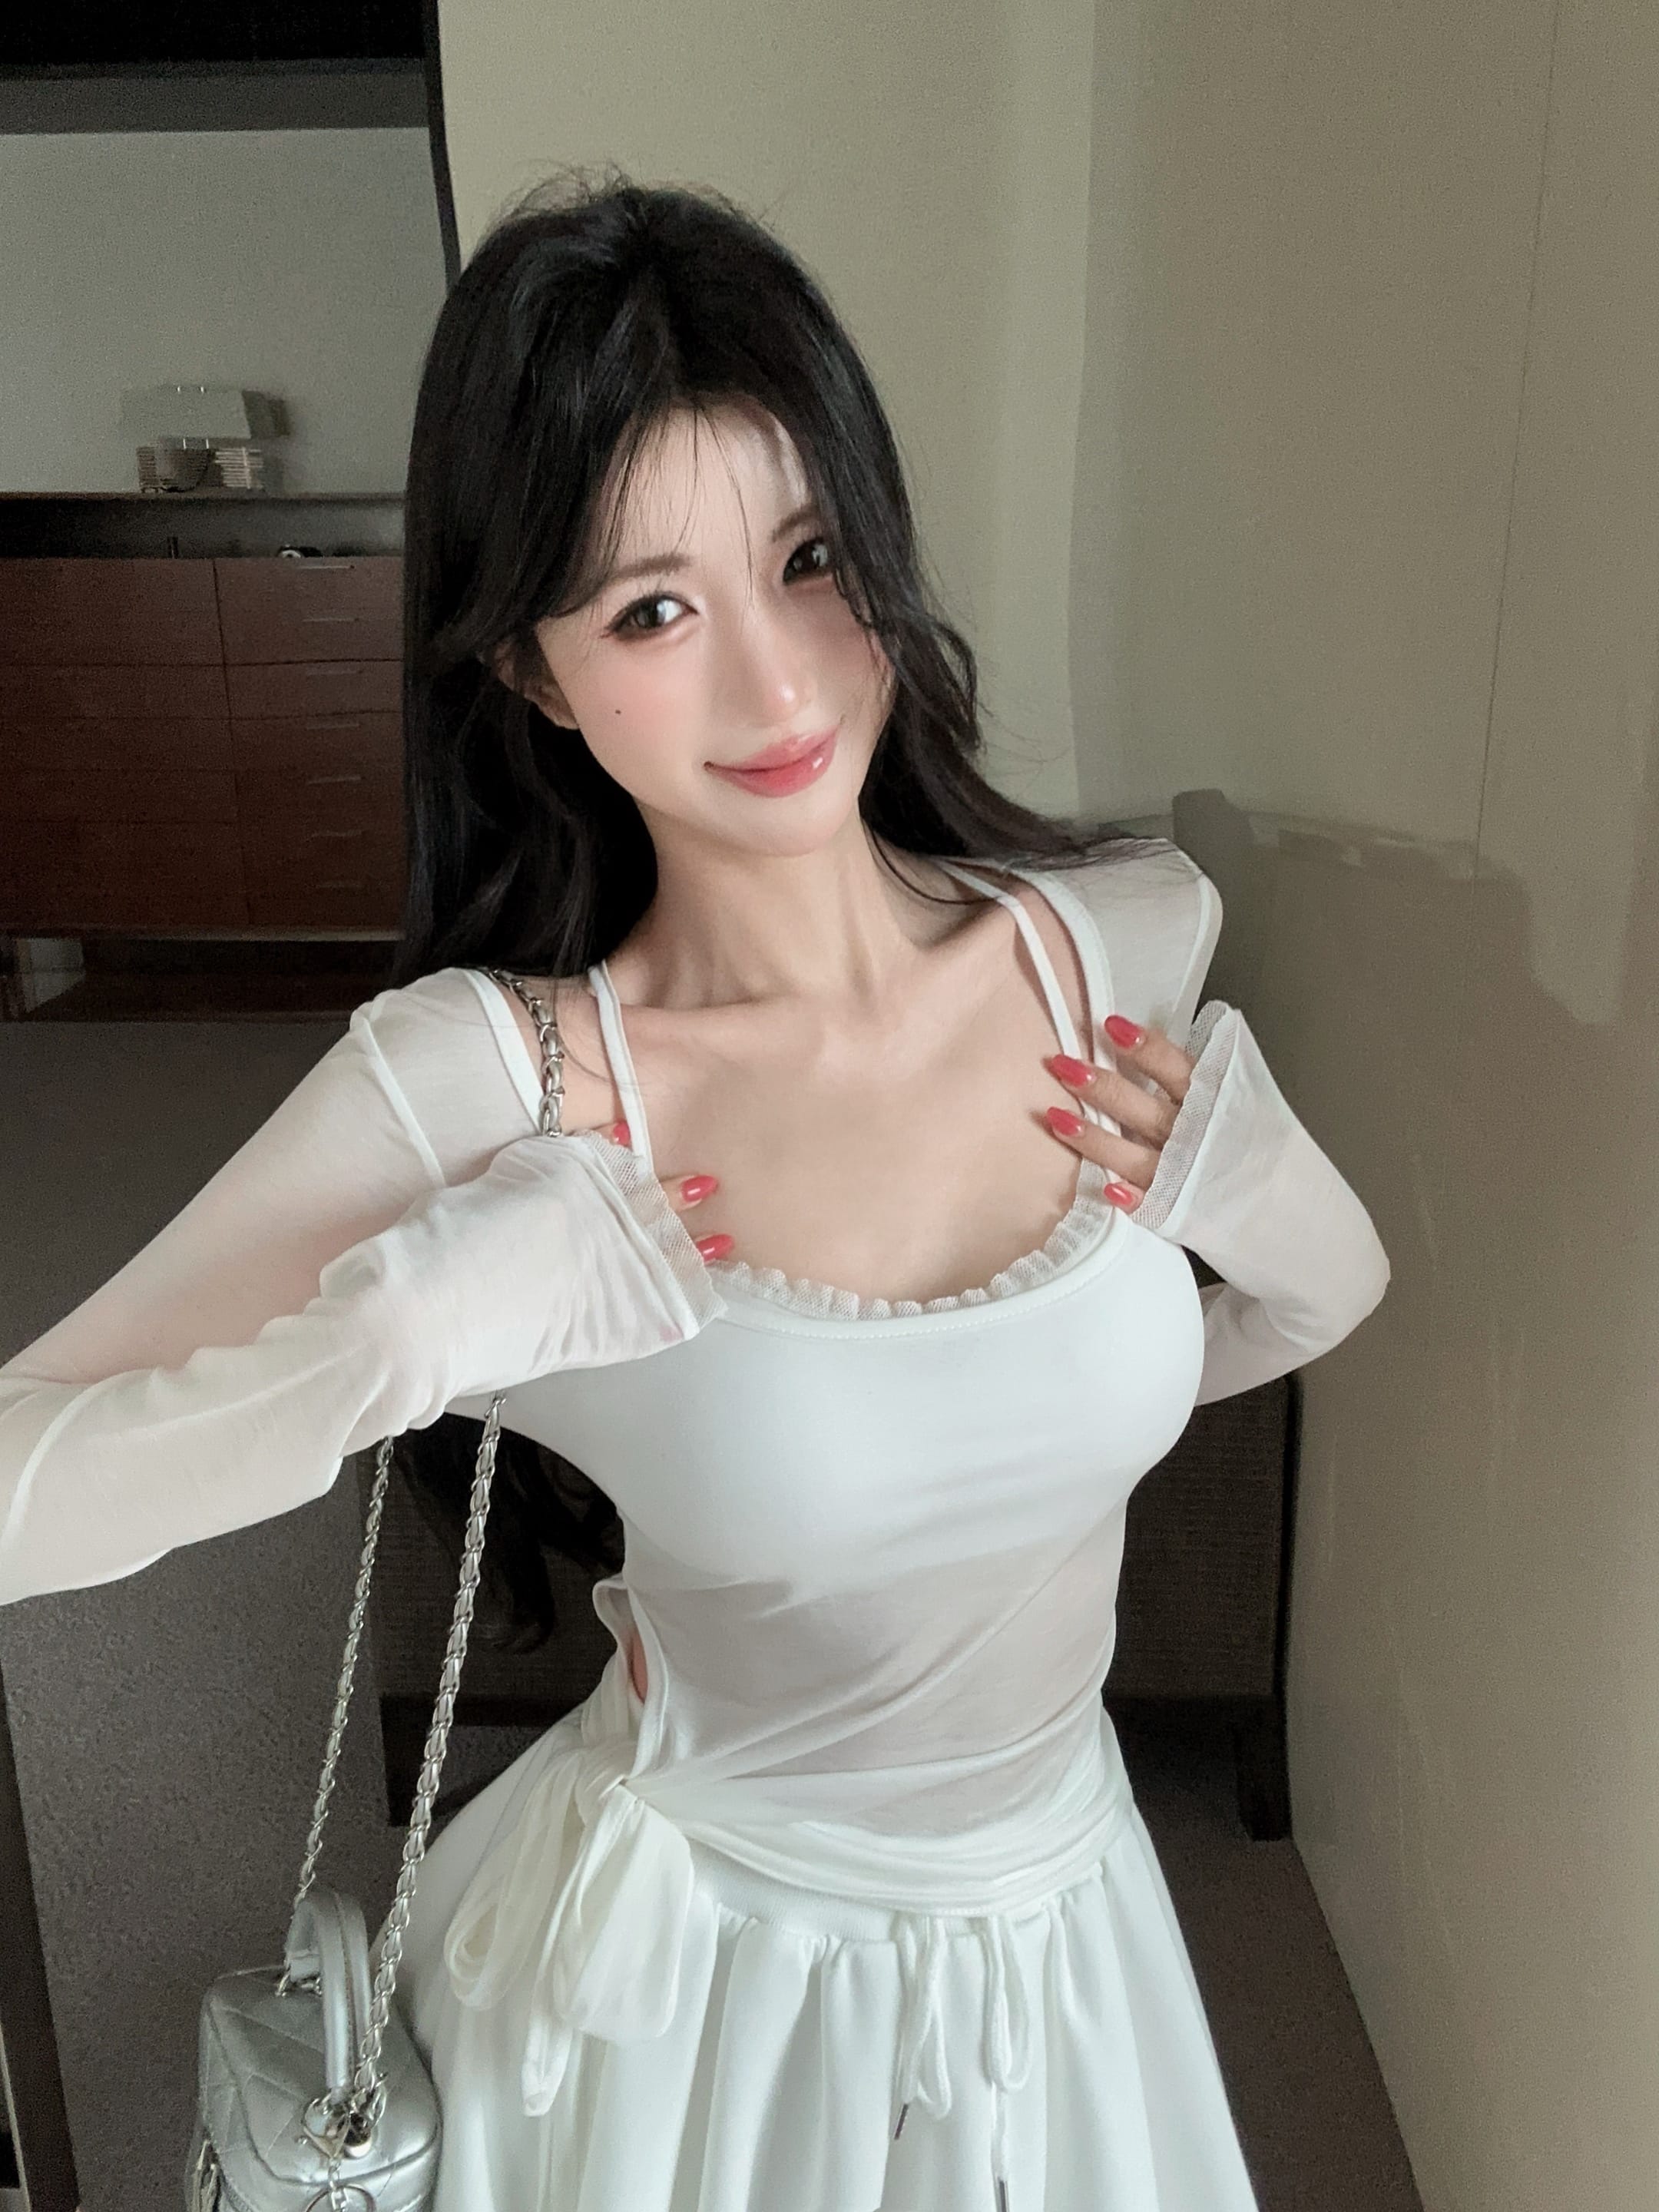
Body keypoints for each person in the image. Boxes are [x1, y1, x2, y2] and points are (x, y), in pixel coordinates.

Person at [0, 169, 1390, 2211]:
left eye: (811, 560)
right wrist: (389, 1345)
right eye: (653, 609)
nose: (782, 687)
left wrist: (1269, 1209)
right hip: (698, 1992)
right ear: (534, 670)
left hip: (1066, 1930)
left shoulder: (1121, 948)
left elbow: (1277, 1320)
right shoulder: (501, 1085)